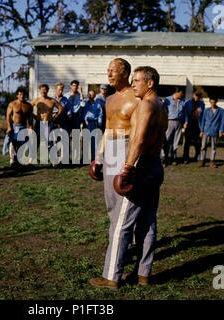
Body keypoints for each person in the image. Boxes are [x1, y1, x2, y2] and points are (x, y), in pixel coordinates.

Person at [89, 66, 167, 289]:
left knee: (122, 223)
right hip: (155, 166)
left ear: (149, 84)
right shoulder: (162, 106)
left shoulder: (145, 105)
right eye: (133, 80)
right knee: (148, 221)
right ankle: (144, 275)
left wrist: (127, 167)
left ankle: (111, 277)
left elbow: (139, 141)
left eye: (138, 81)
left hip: (141, 166)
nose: (134, 85)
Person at [88, 57, 139, 288]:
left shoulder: (137, 98)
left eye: (112, 70)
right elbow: (108, 129)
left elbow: (140, 133)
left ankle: (114, 269)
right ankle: (124, 249)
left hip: (128, 150)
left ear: (125, 72)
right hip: (111, 150)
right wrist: (98, 158)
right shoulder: (108, 99)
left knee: (125, 208)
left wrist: (132, 163)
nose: (108, 74)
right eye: (107, 70)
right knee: (111, 206)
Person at [2, 87, 33, 168]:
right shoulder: (12, 104)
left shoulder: (28, 105)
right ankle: (12, 160)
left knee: (21, 144)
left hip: (23, 127)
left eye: (23, 94)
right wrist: (9, 127)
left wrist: (30, 127)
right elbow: (8, 116)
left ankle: (19, 160)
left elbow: (30, 118)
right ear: (17, 95)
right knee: (13, 143)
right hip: (14, 126)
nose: (21, 96)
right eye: (20, 94)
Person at [30, 84, 63, 158]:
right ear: (39, 90)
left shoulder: (52, 100)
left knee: (50, 141)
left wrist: (56, 116)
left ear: (47, 90)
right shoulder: (37, 100)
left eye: (45, 89)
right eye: (42, 89)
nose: (43, 91)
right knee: (36, 141)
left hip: (49, 123)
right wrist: (34, 116)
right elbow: (28, 108)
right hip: (39, 123)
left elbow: (61, 108)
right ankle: (31, 160)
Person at [199, 96, 224, 168]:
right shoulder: (206, 110)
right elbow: (203, 120)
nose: (212, 103)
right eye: (211, 102)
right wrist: (201, 130)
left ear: (216, 102)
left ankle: (212, 162)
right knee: (203, 146)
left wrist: (221, 130)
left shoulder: (221, 111)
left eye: (214, 102)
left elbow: (222, 122)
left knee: (214, 148)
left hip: (215, 131)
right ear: (209, 101)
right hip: (206, 131)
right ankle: (202, 161)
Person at [163, 87, 185, 166]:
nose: (182, 95)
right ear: (177, 92)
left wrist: (185, 122)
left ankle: (174, 158)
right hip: (170, 122)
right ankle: (165, 158)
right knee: (167, 141)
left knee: (176, 141)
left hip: (179, 122)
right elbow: (164, 111)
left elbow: (184, 113)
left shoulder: (182, 101)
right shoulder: (167, 100)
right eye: (181, 93)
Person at [182, 91, 205, 164]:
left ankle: (197, 155)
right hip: (189, 124)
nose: (197, 97)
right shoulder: (187, 103)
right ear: (193, 95)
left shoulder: (202, 104)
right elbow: (185, 113)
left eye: (199, 96)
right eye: (196, 96)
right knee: (187, 142)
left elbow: (203, 115)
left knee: (197, 142)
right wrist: (185, 122)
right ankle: (185, 157)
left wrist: (202, 126)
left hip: (197, 124)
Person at [82, 89, 103, 161]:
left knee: (94, 141)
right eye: (90, 94)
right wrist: (84, 120)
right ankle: (86, 157)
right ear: (88, 95)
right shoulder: (85, 103)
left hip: (94, 123)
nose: (91, 96)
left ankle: (94, 158)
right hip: (86, 123)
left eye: (92, 95)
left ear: (94, 96)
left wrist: (99, 123)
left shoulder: (97, 104)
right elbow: (82, 110)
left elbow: (100, 114)